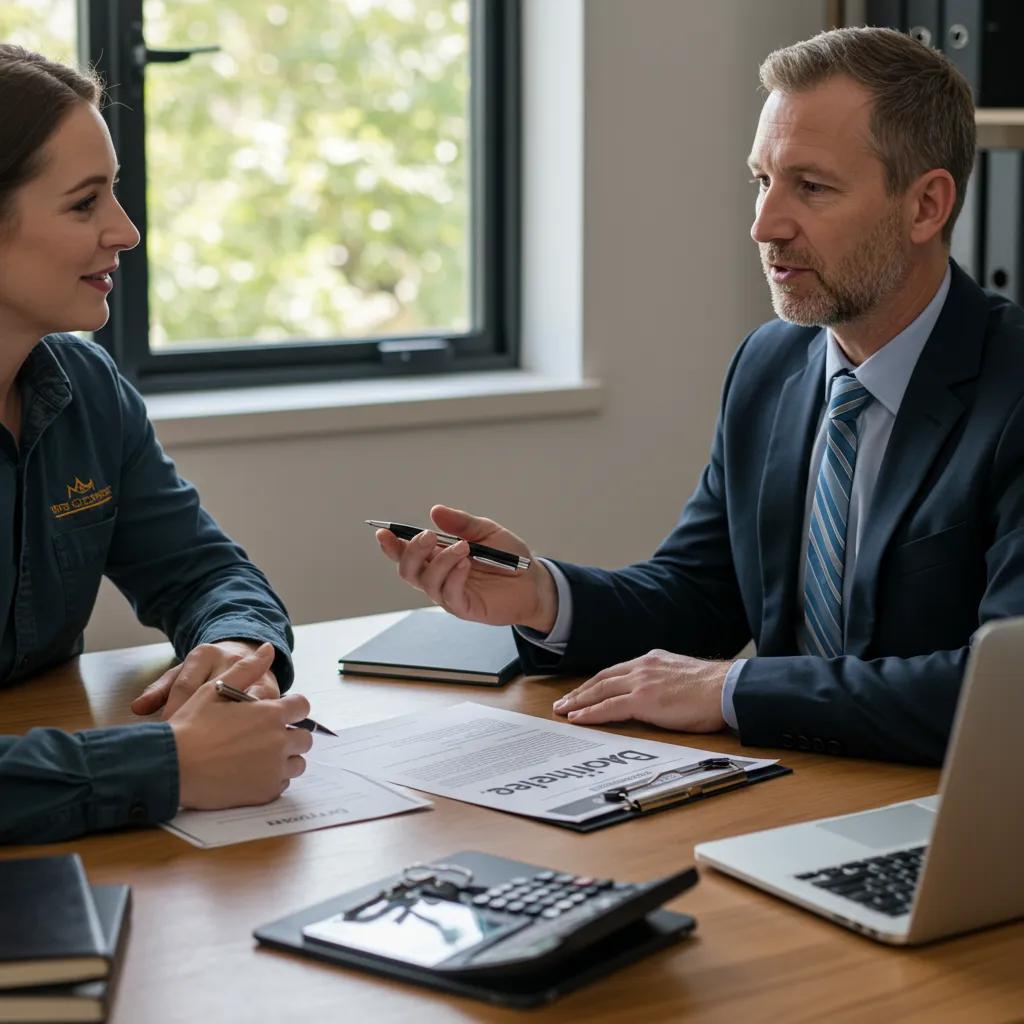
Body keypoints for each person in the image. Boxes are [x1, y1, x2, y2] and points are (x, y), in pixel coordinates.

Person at [376, 27, 1024, 766]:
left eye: (811, 187)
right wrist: (539, 596)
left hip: (949, 804)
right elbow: (700, 597)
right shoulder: (769, 365)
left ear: (926, 206)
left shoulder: (1011, 392)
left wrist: (729, 690)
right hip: (798, 781)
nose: (764, 226)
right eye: (762, 181)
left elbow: (1004, 689)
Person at [0, 45, 312, 843]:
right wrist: (167, 765)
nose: (126, 231)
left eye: (116, 192)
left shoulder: (88, 389)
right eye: (84, 203)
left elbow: (203, 571)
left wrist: (234, 647)